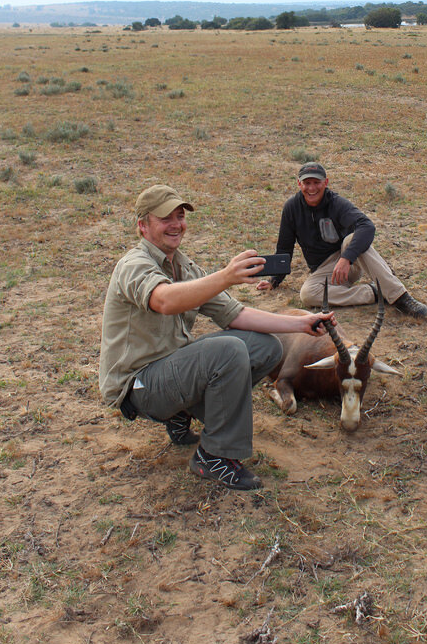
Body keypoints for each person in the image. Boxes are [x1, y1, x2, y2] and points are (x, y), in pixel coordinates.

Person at [100, 184, 335, 491]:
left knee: (265, 346)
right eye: (165, 218)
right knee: (228, 349)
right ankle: (214, 456)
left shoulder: (183, 265)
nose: (176, 225)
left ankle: (180, 413)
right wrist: (225, 276)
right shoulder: (134, 264)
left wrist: (301, 323)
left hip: (170, 371)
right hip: (138, 385)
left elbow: (236, 314)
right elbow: (164, 300)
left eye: (180, 216)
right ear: (143, 226)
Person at [257, 162, 427, 318]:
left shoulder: (337, 203)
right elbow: (284, 248)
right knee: (308, 295)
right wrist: (274, 280)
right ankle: (376, 292)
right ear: (299, 184)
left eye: (316, 183)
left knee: (352, 238)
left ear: (326, 182)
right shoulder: (291, 208)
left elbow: (367, 226)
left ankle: (401, 297)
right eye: (307, 183)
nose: (312, 188)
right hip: (324, 270)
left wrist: (346, 258)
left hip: (349, 262)